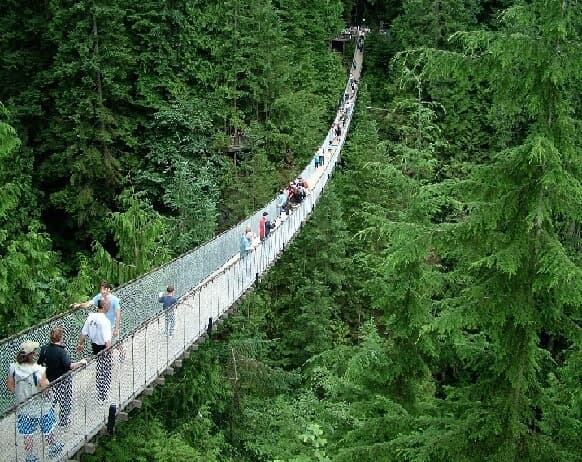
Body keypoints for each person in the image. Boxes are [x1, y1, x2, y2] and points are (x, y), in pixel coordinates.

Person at [7, 340, 64, 462]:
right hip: (40, 407)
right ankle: (53, 447)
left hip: (23, 408)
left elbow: (11, 385)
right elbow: (45, 389)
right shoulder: (39, 370)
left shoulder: (13, 367)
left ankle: (30, 456)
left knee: (28, 433)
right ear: (31, 354)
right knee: (47, 428)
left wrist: (20, 395)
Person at [38, 327, 87, 427]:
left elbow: (39, 363)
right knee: (65, 400)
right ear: (61, 337)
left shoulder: (44, 349)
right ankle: (63, 420)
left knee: (52, 400)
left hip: (50, 380)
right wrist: (81, 362)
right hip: (63, 380)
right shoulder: (61, 352)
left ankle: (47, 419)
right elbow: (69, 366)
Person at [77, 298, 112, 402]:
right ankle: (103, 395)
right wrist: (110, 352)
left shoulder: (90, 317)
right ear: (104, 306)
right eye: (108, 304)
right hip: (104, 348)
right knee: (105, 370)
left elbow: (84, 333)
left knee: (99, 368)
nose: (109, 306)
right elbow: (107, 340)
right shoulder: (105, 321)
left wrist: (80, 344)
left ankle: (100, 393)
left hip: (94, 346)